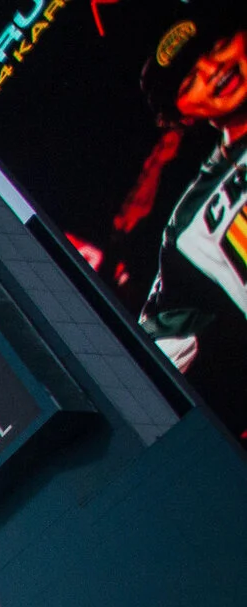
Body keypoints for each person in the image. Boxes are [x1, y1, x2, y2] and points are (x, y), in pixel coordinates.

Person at [136, 9, 247, 429]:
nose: (213, 69)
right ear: (183, 114)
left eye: (216, 46)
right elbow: (149, 346)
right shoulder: (188, 225)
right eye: (188, 79)